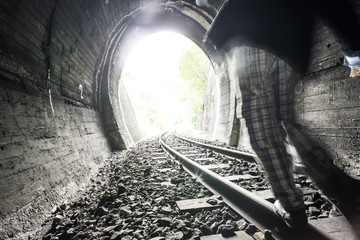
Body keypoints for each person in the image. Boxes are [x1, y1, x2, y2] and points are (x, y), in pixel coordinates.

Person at [196, 0, 360, 230]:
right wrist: (353, 51)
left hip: (250, 33)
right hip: (291, 44)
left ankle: (291, 204)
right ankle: (336, 182)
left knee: (260, 123)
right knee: (287, 121)